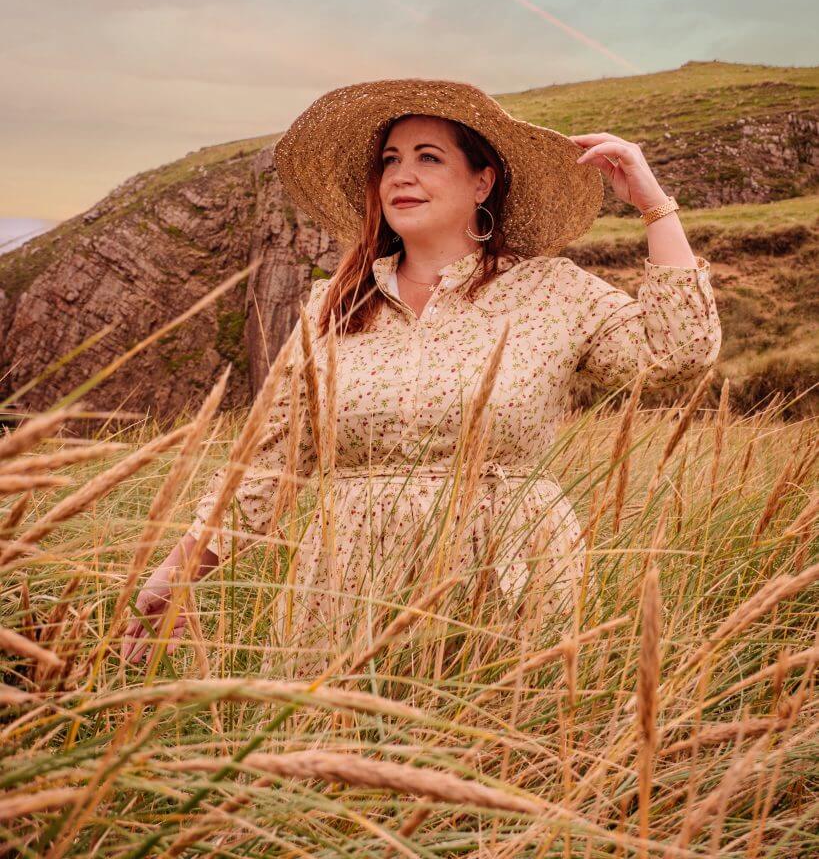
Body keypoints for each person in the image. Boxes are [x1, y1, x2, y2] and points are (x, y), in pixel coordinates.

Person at [122, 77, 721, 670]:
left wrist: (654, 205)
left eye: (428, 157)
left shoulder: (550, 290)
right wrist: (174, 578)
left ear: (482, 179)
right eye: (390, 161)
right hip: (347, 587)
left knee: (506, 757)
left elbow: (679, 353)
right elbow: (268, 467)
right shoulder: (333, 304)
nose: (400, 176)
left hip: (511, 576)